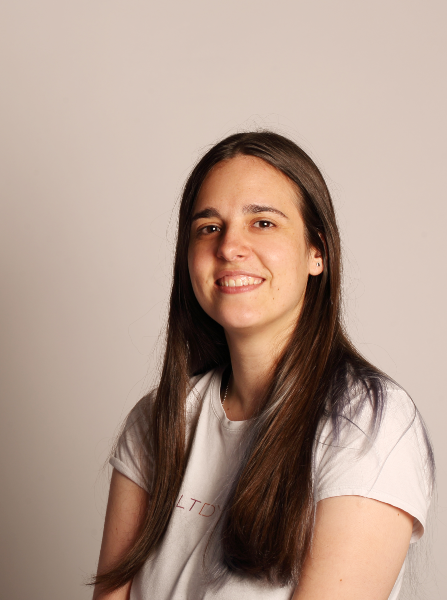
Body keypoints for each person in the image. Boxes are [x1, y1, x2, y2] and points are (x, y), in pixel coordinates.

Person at [92, 131, 434, 600]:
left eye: (263, 223)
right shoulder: (155, 421)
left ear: (319, 252)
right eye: (208, 227)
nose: (230, 247)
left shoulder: (369, 423)